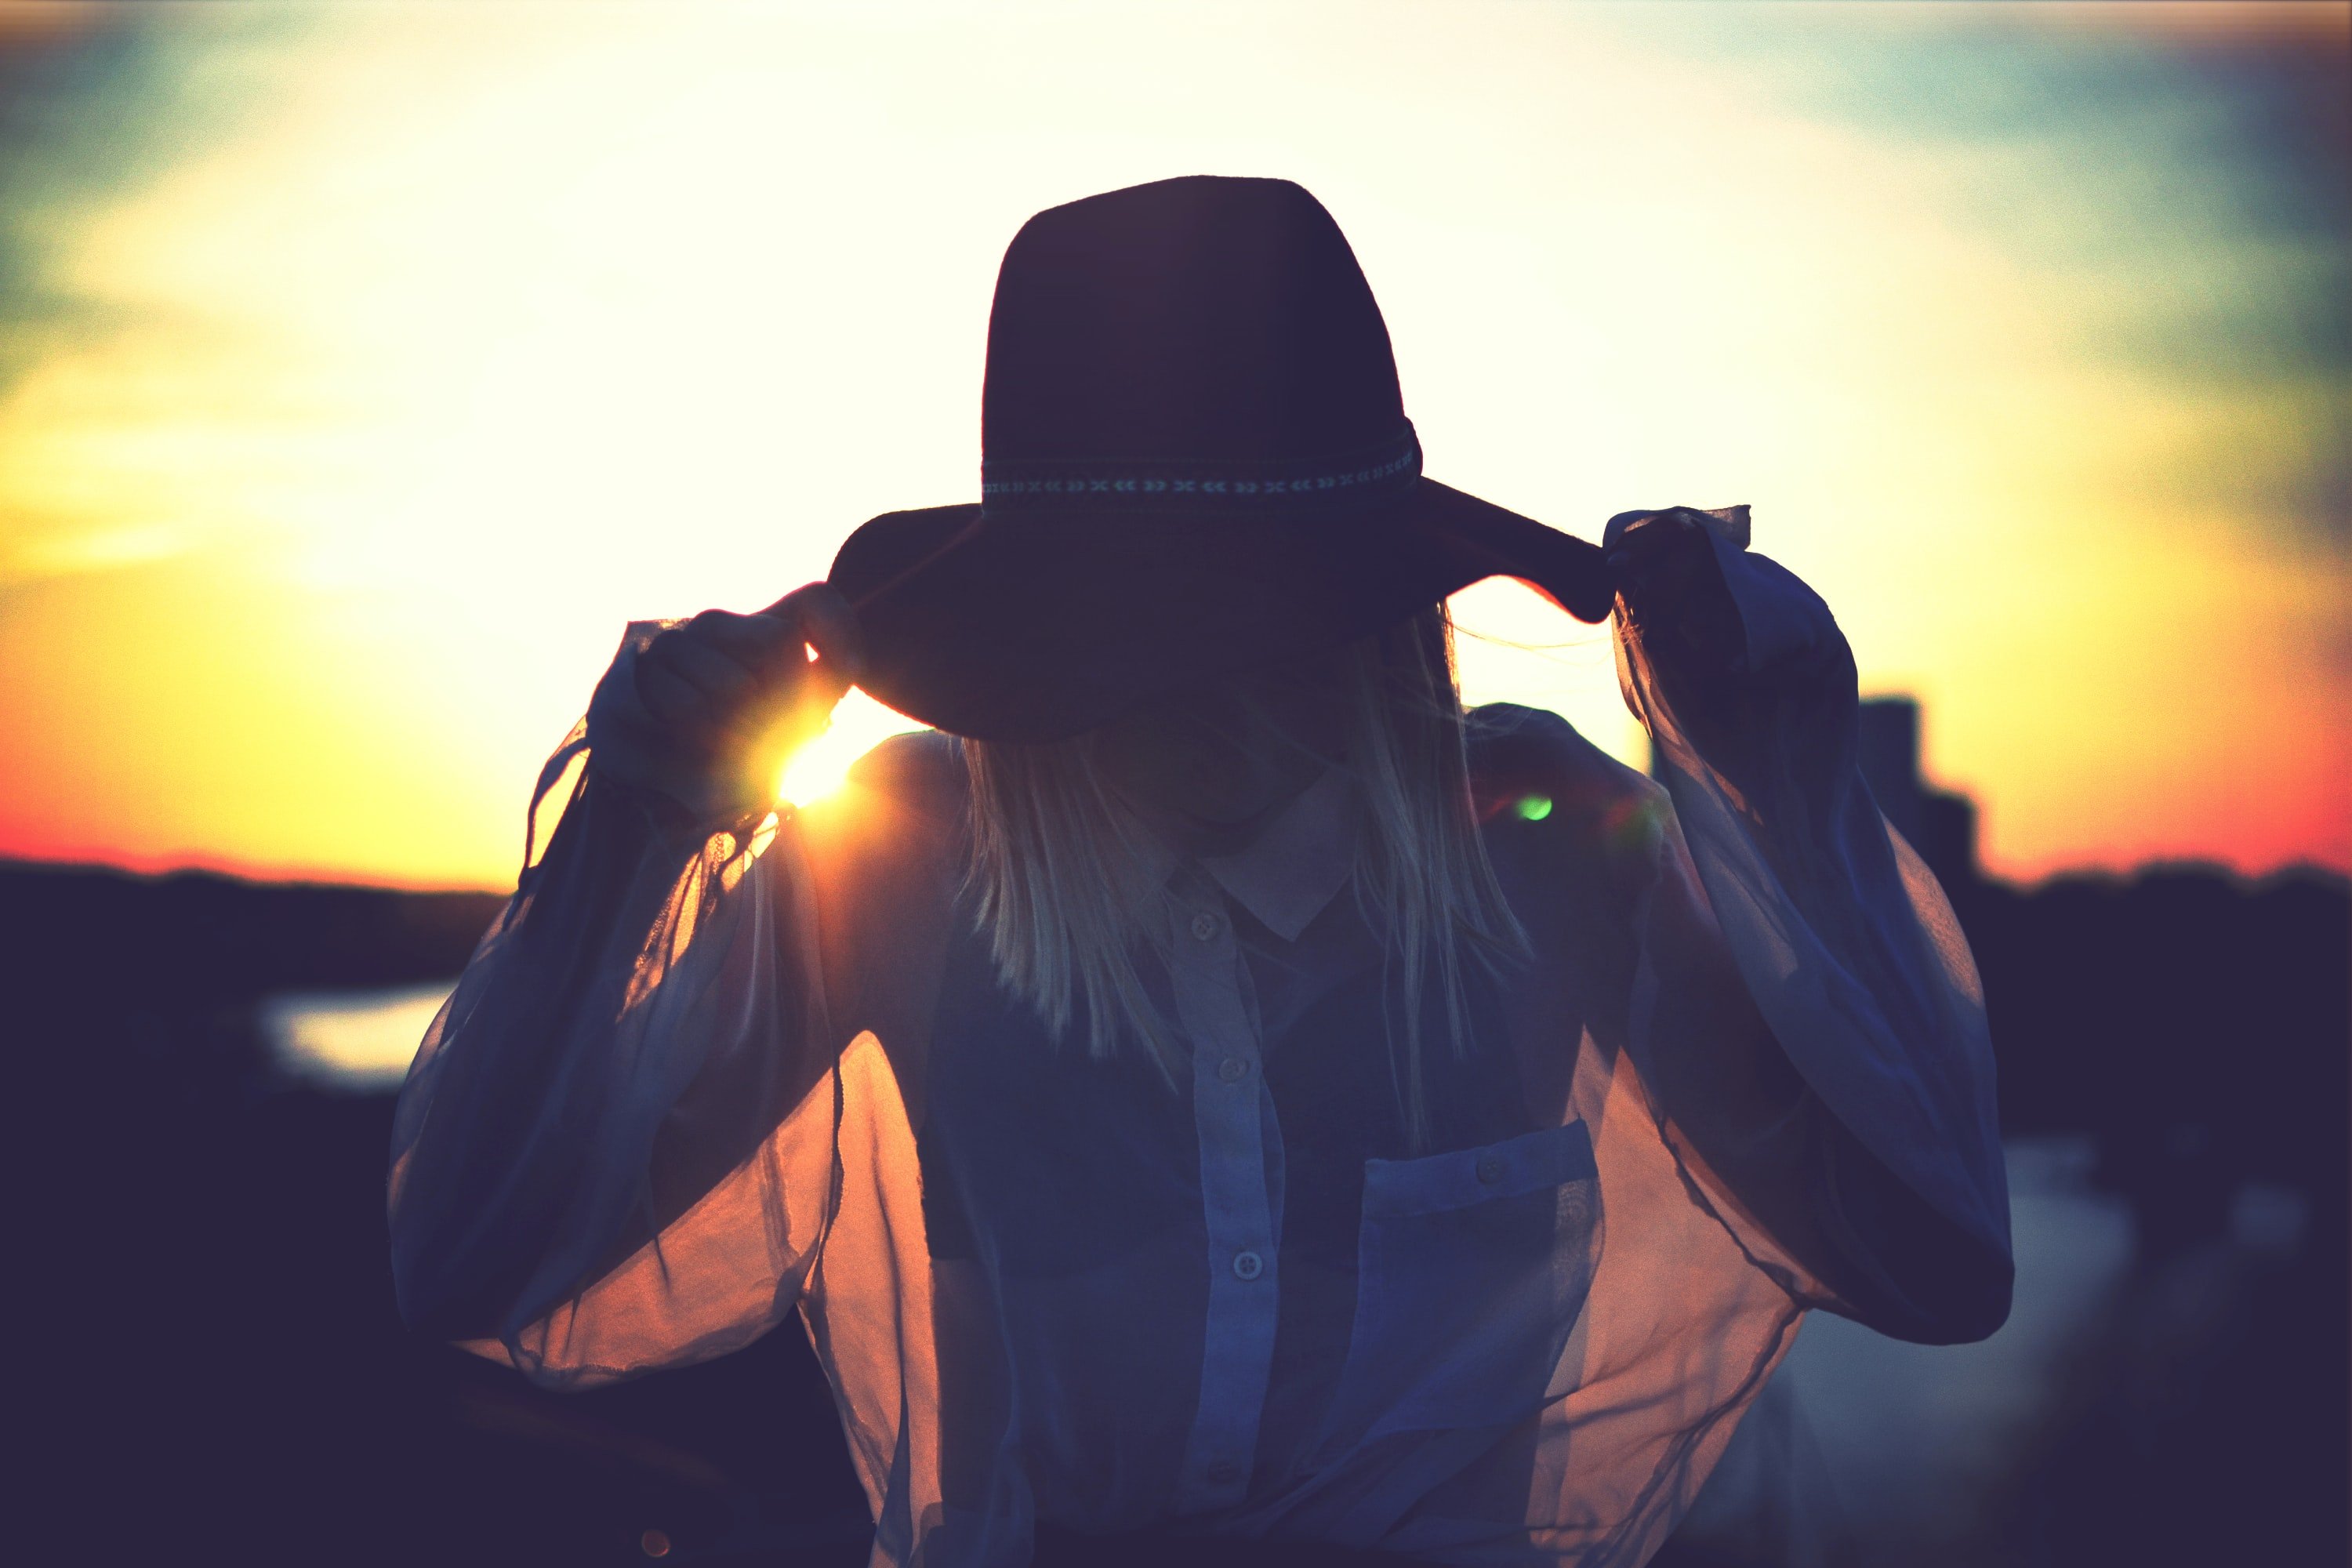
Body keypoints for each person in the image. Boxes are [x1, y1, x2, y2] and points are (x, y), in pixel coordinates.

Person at [387, 176, 2013, 1568]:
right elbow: (484, 1263)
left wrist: (1766, 769)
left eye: (1261, 621)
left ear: (1372, 620)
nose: (1194, 691)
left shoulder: (1553, 855)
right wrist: (638, 821)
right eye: (1125, 631)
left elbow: (1933, 1261)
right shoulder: (903, 866)